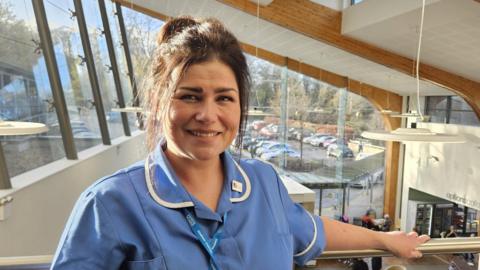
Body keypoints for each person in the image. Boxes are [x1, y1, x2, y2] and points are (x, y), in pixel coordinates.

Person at [50, 16, 429, 269]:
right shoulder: (110, 204)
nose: (208, 115)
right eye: (190, 96)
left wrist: (386, 240)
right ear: (157, 102)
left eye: (224, 98)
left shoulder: (263, 183)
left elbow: (310, 229)